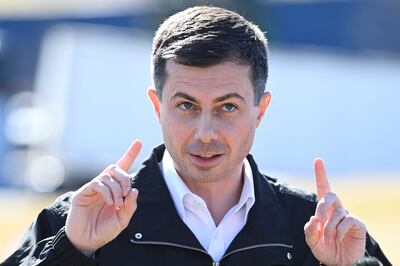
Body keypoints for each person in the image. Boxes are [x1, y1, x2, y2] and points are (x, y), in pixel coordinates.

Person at [1, 6, 391, 266]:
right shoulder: (78, 222)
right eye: (186, 105)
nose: (205, 133)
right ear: (158, 107)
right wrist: (74, 251)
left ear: (261, 109)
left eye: (227, 107)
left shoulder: (315, 229)